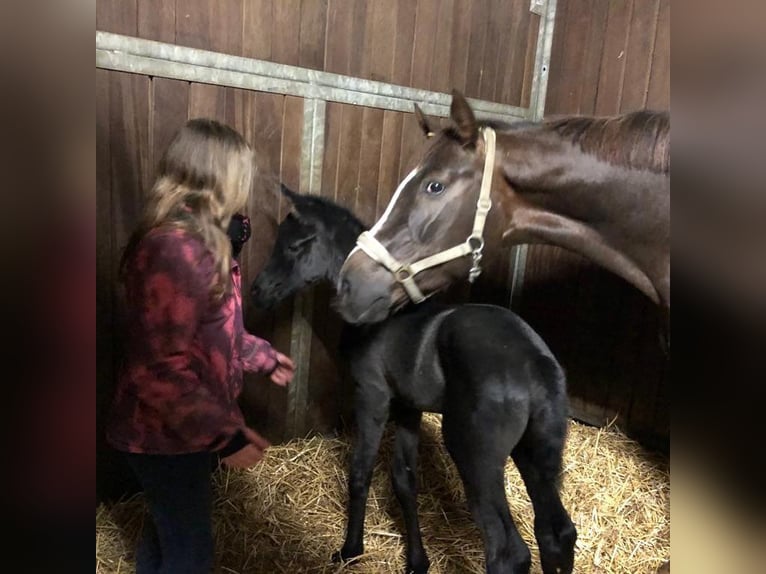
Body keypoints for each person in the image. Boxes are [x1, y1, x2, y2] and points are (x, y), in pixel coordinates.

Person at [106, 118, 295, 574]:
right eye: (241, 173)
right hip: (162, 435)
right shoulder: (175, 250)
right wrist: (224, 435)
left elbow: (213, 333)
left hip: (182, 430)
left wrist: (262, 356)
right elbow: (159, 369)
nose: (246, 184)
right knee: (190, 553)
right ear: (217, 177)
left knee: (172, 528)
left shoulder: (202, 244)